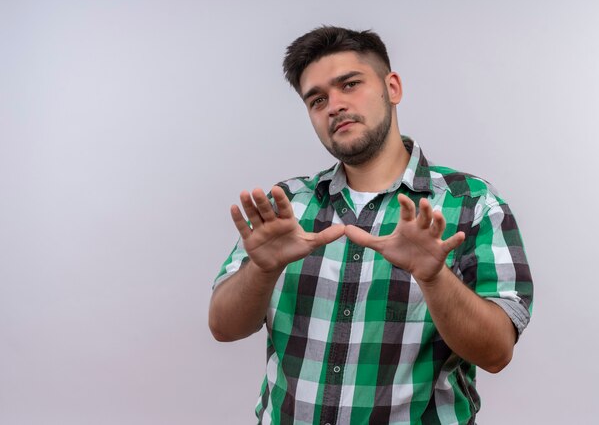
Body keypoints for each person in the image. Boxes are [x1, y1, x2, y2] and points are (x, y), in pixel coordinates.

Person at [209, 26, 533, 425]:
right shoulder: (286, 206)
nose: (334, 106)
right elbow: (223, 326)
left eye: (349, 84)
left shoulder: (473, 203)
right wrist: (263, 268)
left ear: (391, 87)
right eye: (317, 99)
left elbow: (496, 352)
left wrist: (433, 278)